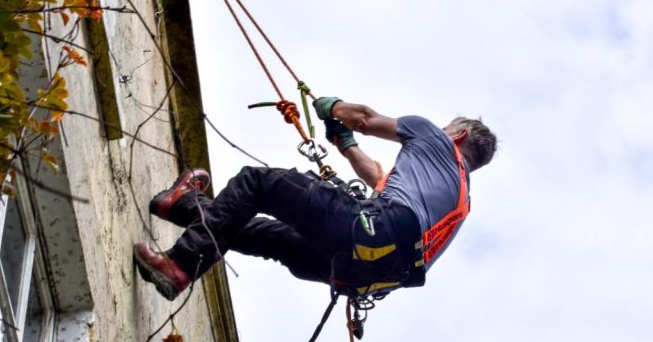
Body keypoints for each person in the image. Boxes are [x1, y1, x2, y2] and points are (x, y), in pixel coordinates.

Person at [133, 97, 497, 302]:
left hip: (372, 230)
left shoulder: (433, 138)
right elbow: (377, 177)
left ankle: (180, 263)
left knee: (259, 183)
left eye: (447, 128)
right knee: (267, 237)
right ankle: (181, 206)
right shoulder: (454, 201)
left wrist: (332, 107)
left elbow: (366, 119)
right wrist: (344, 142)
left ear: (458, 134)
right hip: (362, 272)